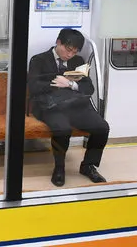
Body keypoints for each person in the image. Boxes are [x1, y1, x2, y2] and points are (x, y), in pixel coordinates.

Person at [28, 28, 110, 187]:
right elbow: (34, 86)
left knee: (102, 127)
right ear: (58, 42)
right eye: (68, 49)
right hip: (50, 106)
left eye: (74, 51)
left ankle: (88, 165)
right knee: (62, 129)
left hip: (75, 105)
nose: (69, 55)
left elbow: (89, 88)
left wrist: (71, 84)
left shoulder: (78, 62)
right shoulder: (39, 60)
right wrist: (56, 82)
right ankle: (59, 168)